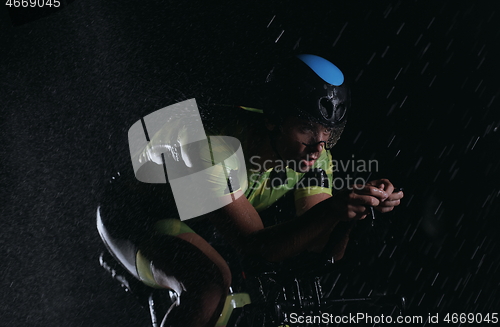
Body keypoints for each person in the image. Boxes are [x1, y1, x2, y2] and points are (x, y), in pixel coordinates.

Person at [97, 54, 404, 327]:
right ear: (274, 119)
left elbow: (318, 249)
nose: (317, 147)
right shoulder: (211, 145)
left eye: (329, 134)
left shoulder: (317, 156)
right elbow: (257, 247)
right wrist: (334, 209)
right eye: (307, 129)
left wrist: (355, 211)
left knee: (233, 294)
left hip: (199, 215)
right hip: (136, 212)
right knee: (209, 288)